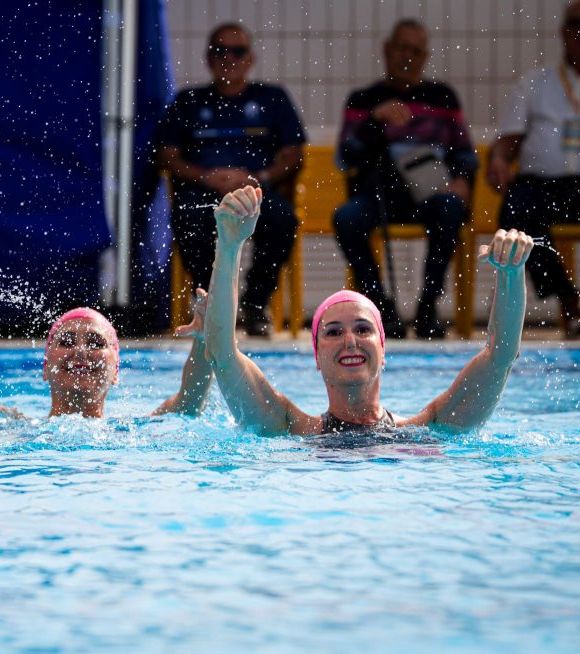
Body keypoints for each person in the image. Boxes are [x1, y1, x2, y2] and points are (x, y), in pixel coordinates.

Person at [205, 186, 533, 436]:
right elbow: (222, 354)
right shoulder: (289, 428)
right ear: (317, 356)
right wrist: (230, 246)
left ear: (383, 349)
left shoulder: (428, 429)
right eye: (333, 332)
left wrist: (512, 273)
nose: (350, 341)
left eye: (363, 329)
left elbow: (500, 355)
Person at [0, 221, 213, 418]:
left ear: (116, 370)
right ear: (44, 367)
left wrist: (205, 341)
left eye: (96, 343)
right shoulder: (12, 426)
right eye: (66, 341)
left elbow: (190, 402)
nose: (80, 351)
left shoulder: (132, 433)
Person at [155, 22, 305, 336]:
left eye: (237, 51)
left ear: (250, 58)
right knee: (187, 216)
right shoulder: (187, 101)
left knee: (282, 219)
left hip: (256, 191)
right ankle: (212, 302)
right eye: (220, 51)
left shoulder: (273, 98)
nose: (229, 58)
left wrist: (257, 177)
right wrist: (205, 176)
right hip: (202, 191)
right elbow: (166, 156)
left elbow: (294, 155)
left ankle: (254, 305)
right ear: (208, 57)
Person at [333, 18, 477, 340]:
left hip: (432, 192)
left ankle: (428, 306)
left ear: (425, 56)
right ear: (387, 50)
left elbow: (465, 152)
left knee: (451, 209)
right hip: (379, 192)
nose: (407, 57)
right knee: (346, 218)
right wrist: (374, 120)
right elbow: (346, 157)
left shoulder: (443, 97)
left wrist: (462, 179)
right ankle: (380, 307)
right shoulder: (363, 99)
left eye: (416, 51)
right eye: (401, 48)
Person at [486, 0, 580, 339]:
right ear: (564, 32)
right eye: (575, 24)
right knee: (515, 210)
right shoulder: (535, 84)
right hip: (542, 185)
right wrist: (498, 160)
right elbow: (506, 143)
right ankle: (568, 299)